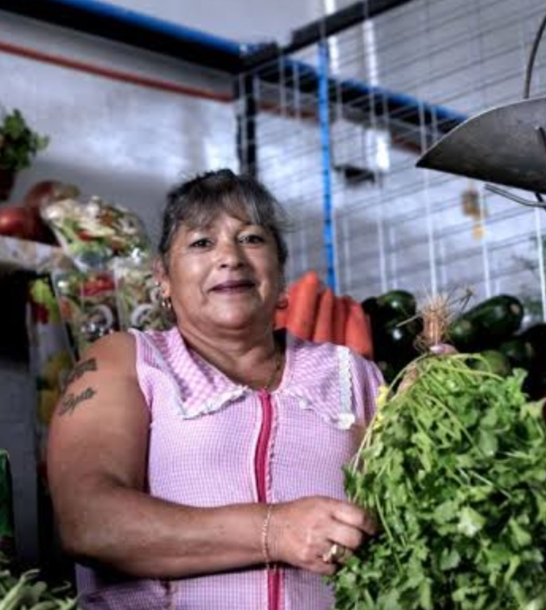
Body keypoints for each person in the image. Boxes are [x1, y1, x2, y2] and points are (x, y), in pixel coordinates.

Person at [47, 169, 384, 610]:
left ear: (280, 273)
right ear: (163, 279)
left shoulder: (351, 376)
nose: (231, 257)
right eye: (202, 242)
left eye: (251, 239)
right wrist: (274, 530)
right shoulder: (125, 362)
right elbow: (88, 520)